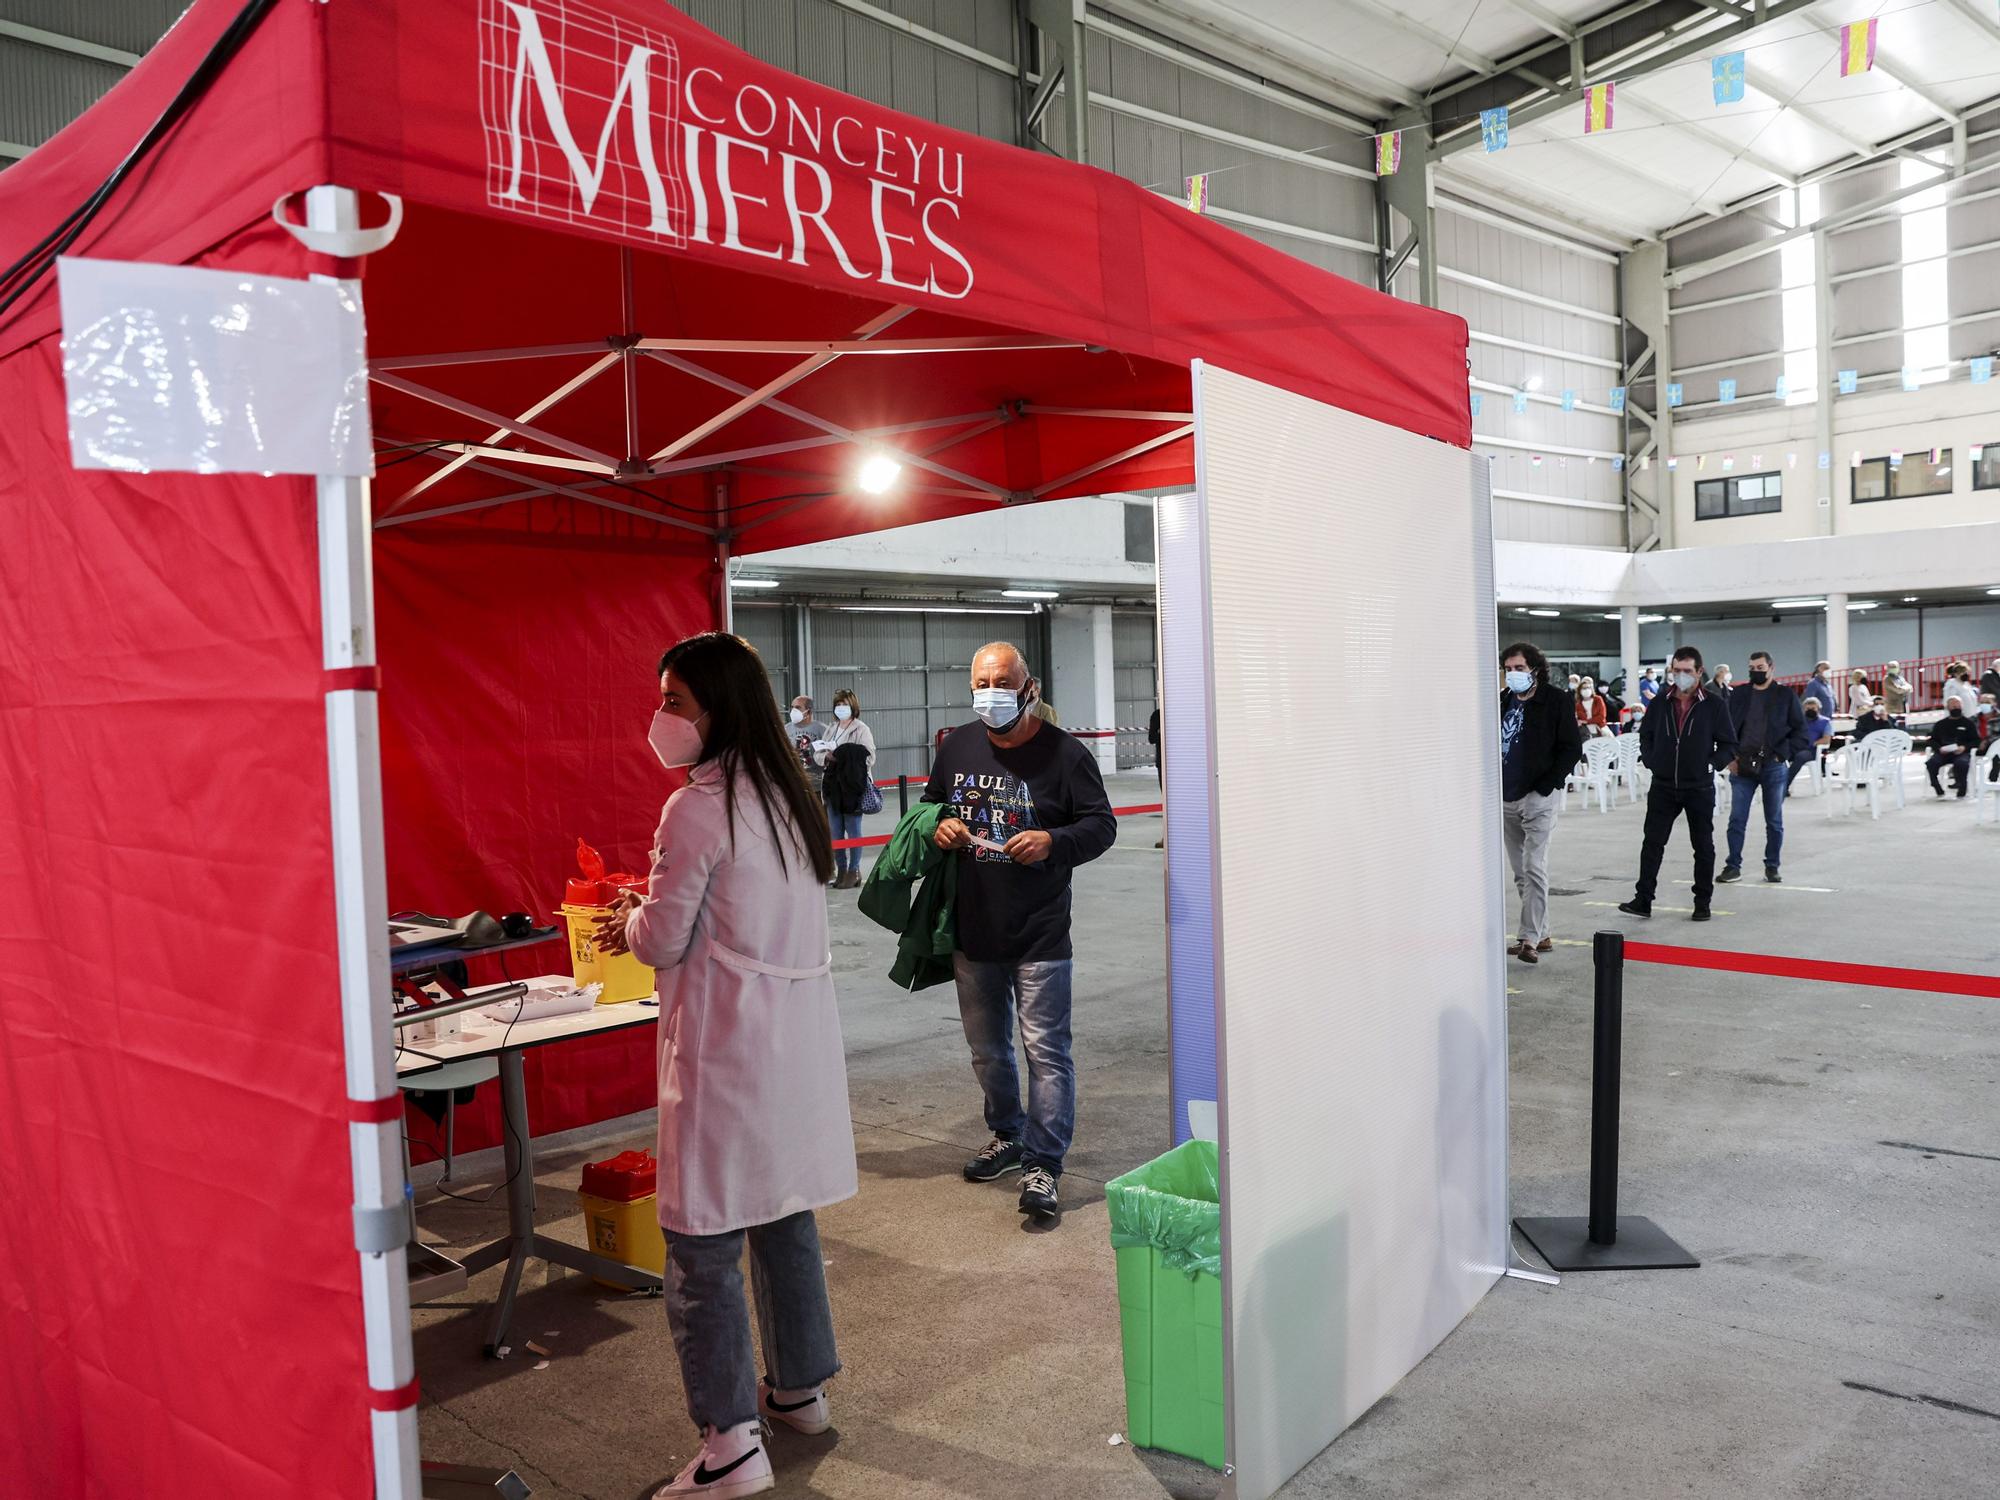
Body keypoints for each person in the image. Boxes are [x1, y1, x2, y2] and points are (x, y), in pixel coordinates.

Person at [593, 632, 855, 1499]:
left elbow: (663, 938)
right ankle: (798, 1390)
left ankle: (731, 1445)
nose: (660, 717)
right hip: (791, 1056)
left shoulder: (697, 809)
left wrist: (631, 918)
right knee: (781, 1217)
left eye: (674, 700)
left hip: (724, 1054)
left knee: (701, 1244)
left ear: (718, 708)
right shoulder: (786, 795)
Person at [926, 643, 1116, 1223]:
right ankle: (1006, 1135)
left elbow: (1100, 825)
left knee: (1046, 1052)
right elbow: (930, 809)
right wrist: (941, 825)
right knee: (988, 1052)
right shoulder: (956, 745)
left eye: (1002, 682)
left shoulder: (1065, 755)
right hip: (973, 928)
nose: (991, 692)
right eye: (981, 681)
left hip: (1039, 934)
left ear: (1028, 688)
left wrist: (1054, 842)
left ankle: (1045, 1162)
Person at [1621, 646, 1736, 922]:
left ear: (1699, 671)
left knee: (1703, 846)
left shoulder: (1714, 704)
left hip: (1699, 787)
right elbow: (1646, 736)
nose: (1681, 676)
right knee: (1652, 843)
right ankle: (1643, 899)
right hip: (1663, 785)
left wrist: (1709, 764)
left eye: (1687, 671)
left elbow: (1729, 744)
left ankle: (1702, 902)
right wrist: (1651, 760)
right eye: (1676, 670)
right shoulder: (1660, 702)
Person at [1499, 642, 1581, 965]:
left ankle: (1528, 938)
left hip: (1539, 796)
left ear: (1535, 669)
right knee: (1521, 872)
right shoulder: (1503, 701)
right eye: (1508, 669)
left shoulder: (1556, 701)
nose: (1513, 674)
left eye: (1519, 668)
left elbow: (1571, 748)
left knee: (1534, 866)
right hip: (1507, 795)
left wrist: (1548, 785)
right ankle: (1542, 932)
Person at [1720, 651, 1806, 885]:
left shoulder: (1785, 695)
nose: (1755, 671)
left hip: (1773, 766)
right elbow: (1725, 727)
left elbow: (1801, 732)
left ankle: (1772, 866)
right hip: (1742, 766)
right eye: (1751, 667)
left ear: (1771, 668)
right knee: (1737, 819)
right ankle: (1733, 865)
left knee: (1774, 820)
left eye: (1759, 667)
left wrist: (1782, 754)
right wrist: (1730, 758)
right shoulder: (1739, 694)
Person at [812, 689, 876, 890]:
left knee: (853, 830)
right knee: (835, 832)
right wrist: (827, 756)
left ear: (853, 706)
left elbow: (870, 756)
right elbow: (818, 754)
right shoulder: (831, 728)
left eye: (844, 704)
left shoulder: (861, 729)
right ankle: (840, 869)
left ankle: (853, 870)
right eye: (837, 705)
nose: (840, 708)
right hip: (832, 787)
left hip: (852, 788)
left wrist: (844, 755)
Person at [1927, 697, 1980, 797]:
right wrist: (1939, 748)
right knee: (1931, 763)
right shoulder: (1940, 724)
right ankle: (1936, 786)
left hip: (1961, 753)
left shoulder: (1968, 724)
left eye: (1958, 705)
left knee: (1962, 763)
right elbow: (1932, 740)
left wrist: (1964, 747)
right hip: (1943, 753)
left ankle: (1962, 788)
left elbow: (1976, 741)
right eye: (1953, 705)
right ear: (1948, 707)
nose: (1956, 707)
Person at [788, 694, 830, 797]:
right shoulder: (785, 730)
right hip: (794, 787)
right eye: (792, 707)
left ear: (809, 711)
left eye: (797, 707)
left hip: (818, 787)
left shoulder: (823, 730)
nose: (793, 711)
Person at [1788, 699, 1832, 792]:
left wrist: (1814, 743)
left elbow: (1826, 739)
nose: (1810, 710)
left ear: (1818, 709)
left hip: (1811, 750)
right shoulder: (1798, 721)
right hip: (1795, 748)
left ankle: (1783, 786)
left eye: (1813, 708)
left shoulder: (1825, 722)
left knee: (1800, 756)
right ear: (1803, 709)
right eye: (1808, 708)